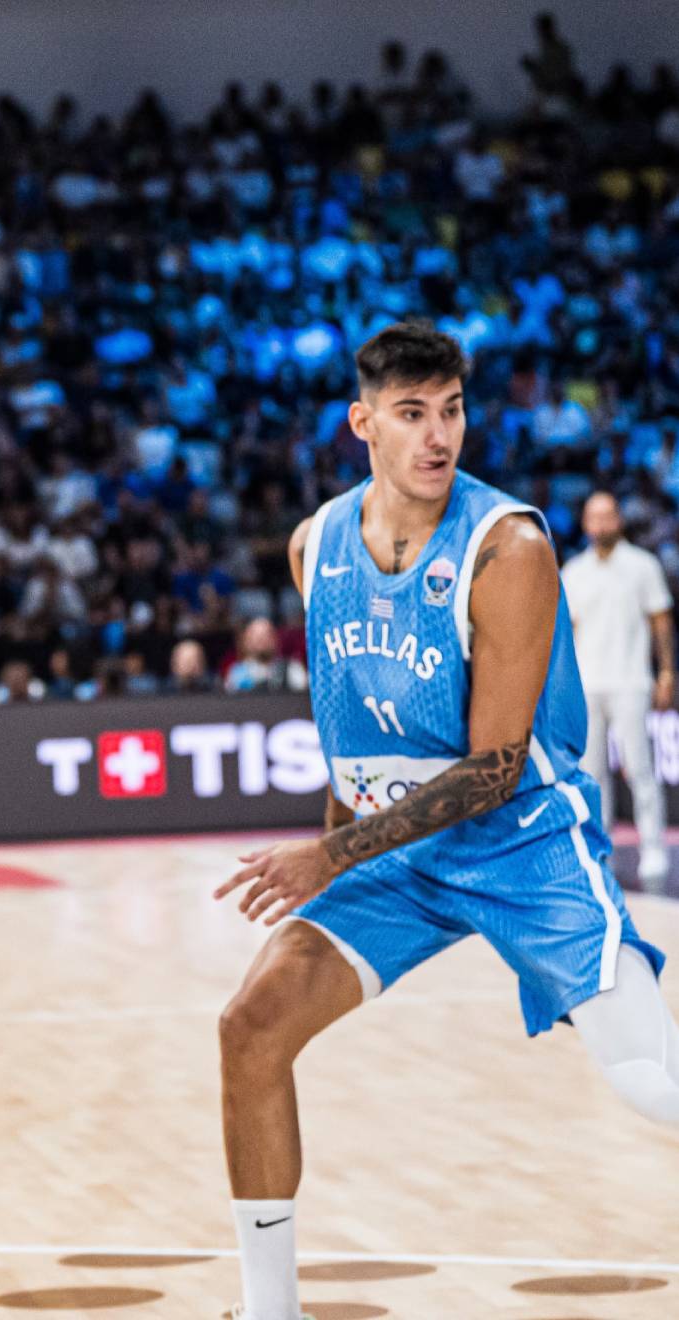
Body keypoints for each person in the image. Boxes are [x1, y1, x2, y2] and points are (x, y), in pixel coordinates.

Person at [214, 325, 673, 1320]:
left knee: (647, 1082)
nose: (437, 437)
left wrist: (328, 850)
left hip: (523, 844)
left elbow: (496, 770)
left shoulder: (510, 546)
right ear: (362, 422)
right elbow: (346, 725)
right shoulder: (317, 545)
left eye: (452, 410)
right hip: (397, 852)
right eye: (412, 414)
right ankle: (268, 1310)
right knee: (251, 1027)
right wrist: (336, 849)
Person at [563, 491, 675, 889]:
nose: (602, 523)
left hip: (631, 681)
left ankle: (655, 849)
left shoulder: (642, 566)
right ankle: (599, 849)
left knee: (641, 770)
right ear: (586, 524)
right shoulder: (574, 571)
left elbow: (661, 621)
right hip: (589, 684)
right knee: (591, 776)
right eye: (594, 517)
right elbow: (567, 634)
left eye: (608, 515)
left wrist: (666, 673)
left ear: (618, 521)